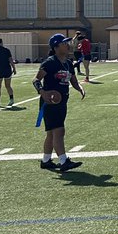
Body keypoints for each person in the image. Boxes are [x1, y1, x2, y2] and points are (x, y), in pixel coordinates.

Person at [34, 33, 86, 171]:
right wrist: (42, 92)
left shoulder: (68, 63)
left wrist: (80, 88)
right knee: (59, 131)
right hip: (50, 102)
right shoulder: (50, 62)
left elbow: (73, 81)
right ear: (56, 47)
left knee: (51, 133)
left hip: (62, 101)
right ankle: (63, 161)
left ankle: (45, 160)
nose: (67, 45)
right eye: (64, 43)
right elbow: (36, 80)